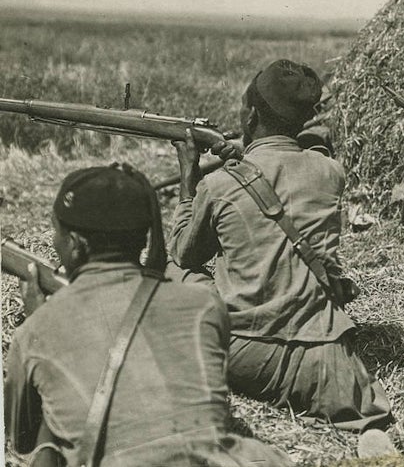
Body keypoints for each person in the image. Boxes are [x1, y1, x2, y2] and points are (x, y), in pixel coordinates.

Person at [170, 59, 395, 457]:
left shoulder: (219, 183)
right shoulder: (331, 173)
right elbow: (289, 169)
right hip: (325, 362)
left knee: (175, 272)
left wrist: (190, 181)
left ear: (251, 115)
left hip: (242, 353)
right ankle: (370, 437)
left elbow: (186, 252)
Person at [6, 164, 292, 466]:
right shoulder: (204, 304)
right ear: (141, 239)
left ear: (76, 246)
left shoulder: (36, 331)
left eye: (57, 232)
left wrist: (42, 320)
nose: (54, 241)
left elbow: (21, 438)